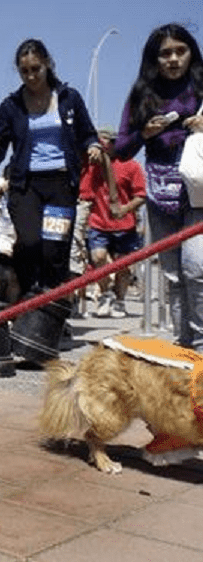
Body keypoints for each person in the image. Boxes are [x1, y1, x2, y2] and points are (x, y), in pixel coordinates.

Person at [115, 23, 203, 350]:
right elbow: (120, 149)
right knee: (173, 276)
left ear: (191, 52)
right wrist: (145, 134)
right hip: (160, 191)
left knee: (197, 269)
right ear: (154, 59)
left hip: (198, 189)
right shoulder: (142, 94)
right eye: (165, 53)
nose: (173, 59)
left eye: (180, 50)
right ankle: (185, 347)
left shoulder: (201, 86)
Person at [0, 38, 101, 296]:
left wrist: (93, 146)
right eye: (24, 71)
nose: (31, 76)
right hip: (26, 185)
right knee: (29, 243)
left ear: (47, 65)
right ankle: (27, 301)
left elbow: (87, 133)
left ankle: (54, 309)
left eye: (36, 69)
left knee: (54, 249)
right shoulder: (11, 106)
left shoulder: (69, 98)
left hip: (61, 185)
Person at [80, 126, 146, 318]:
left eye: (102, 143)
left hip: (125, 224)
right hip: (98, 221)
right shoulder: (90, 165)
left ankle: (119, 301)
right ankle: (105, 294)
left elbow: (141, 195)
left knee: (124, 266)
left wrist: (124, 210)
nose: (98, 147)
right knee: (98, 257)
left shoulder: (131, 165)